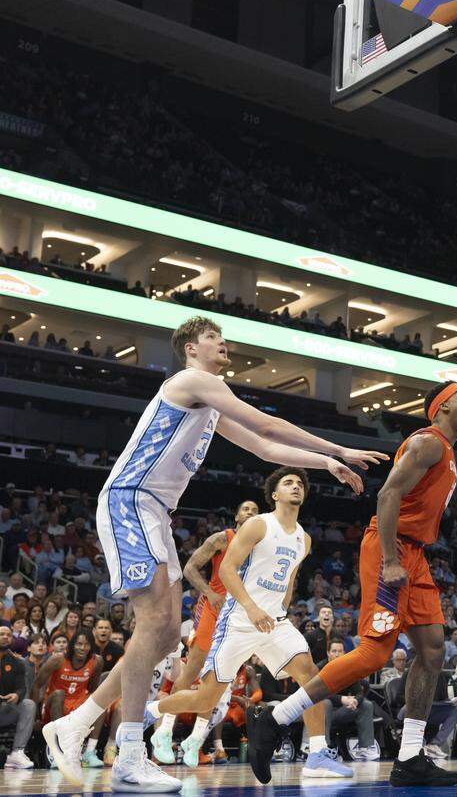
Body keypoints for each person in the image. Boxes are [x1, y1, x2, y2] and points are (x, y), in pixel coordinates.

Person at [42, 316, 385, 791]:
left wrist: (323, 463)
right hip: (131, 498)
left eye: (223, 339)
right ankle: (127, 752)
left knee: (163, 640)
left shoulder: (209, 403)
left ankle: (76, 724)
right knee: (155, 626)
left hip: (157, 511)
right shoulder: (191, 381)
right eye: (212, 338)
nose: (223, 344)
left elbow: (264, 446)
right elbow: (265, 421)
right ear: (190, 349)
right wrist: (339, 447)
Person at [248, 382, 457, 788]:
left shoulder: (447, 450)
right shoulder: (429, 442)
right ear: (441, 407)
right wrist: (389, 559)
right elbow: (387, 494)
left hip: (415, 553)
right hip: (392, 548)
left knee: (433, 647)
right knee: (374, 652)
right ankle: (277, 717)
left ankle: (409, 756)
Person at [143, 468, 350, 778]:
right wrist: (252, 608)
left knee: (311, 677)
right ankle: (149, 712)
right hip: (239, 620)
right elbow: (227, 569)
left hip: (274, 623)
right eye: (288, 483)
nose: (295, 486)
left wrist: (280, 611)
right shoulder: (257, 525)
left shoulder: (303, 540)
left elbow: (289, 580)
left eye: (300, 484)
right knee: (206, 697)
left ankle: (318, 755)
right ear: (276, 494)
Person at [150, 499, 260, 763]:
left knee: (219, 679)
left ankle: (195, 741)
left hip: (239, 613)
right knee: (191, 671)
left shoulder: (261, 546)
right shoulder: (222, 538)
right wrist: (209, 593)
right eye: (246, 509)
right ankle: (164, 731)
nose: (251, 513)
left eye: (256, 511)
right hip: (213, 608)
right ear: (236, 515)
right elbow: (189, 568)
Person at [34, 630, 105, 769]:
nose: (83, 648)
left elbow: (93, 688)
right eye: (79, 644)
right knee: (59, 694)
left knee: (100, 700)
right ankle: (60, 750)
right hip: (55, 704)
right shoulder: (57, 659)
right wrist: (35, 716)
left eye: (87, 645)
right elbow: (37, 685)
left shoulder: (97, 661)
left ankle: (89, 752)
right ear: (72, 645)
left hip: (77, 703)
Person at [320, 640, 379, 761]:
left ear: (344, 653)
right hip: (325, 710)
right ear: (328, 653)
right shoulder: (320, 668)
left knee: (366, 704)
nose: (337, 654)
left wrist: (355, 701)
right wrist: (342, 699)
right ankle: (324, 747)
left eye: (340, 651)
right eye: (334, 651)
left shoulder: (349, 667)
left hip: (343, 709)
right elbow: (318, 694)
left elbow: (359, 691)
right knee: (326, 703)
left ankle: (366, 747)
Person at [0, 625, 36, 769]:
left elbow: (22, 687)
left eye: (8, 635)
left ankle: (17, 753)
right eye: (1, 634)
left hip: (6, 709)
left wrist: (17, 695)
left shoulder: (17, 662)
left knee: (28, 704)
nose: (5, 637)